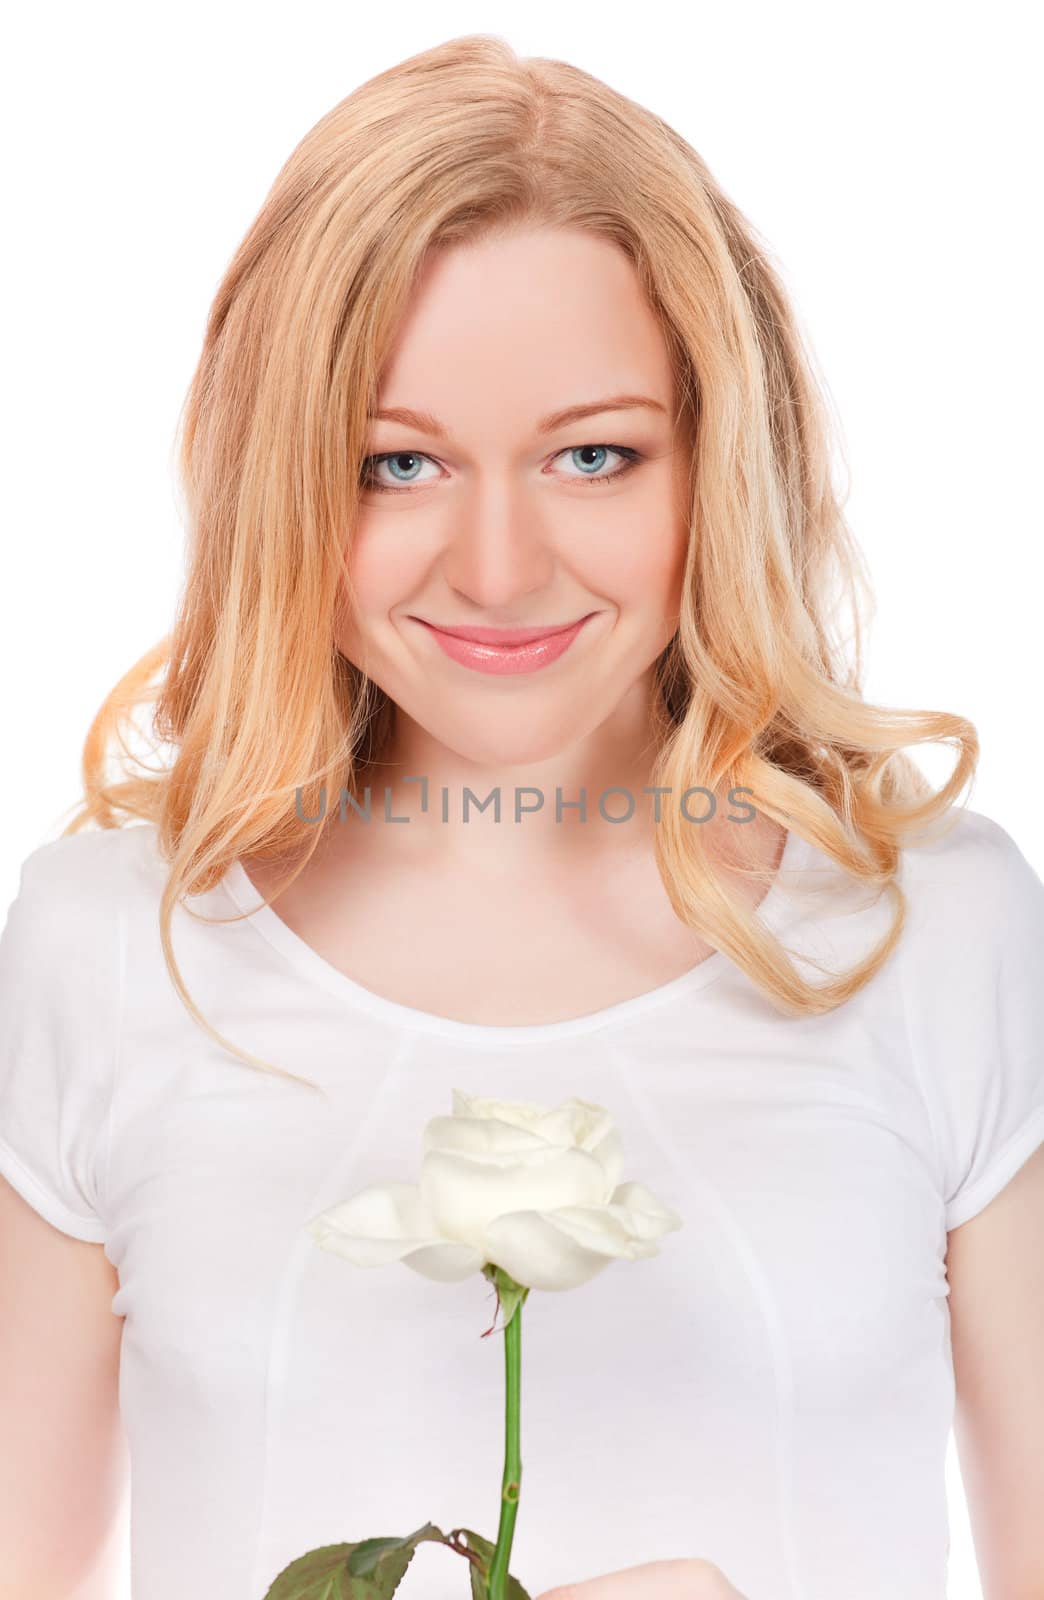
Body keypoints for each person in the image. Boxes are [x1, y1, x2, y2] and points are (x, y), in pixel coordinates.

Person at [1, 33, 1042, 1600]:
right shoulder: (107, 941)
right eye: (396, 463)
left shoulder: (929, 924)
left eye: (594, 455)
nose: (497, 569)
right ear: (282, 477)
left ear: (716, 458)